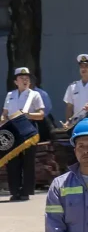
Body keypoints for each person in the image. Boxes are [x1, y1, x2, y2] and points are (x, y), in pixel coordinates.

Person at [3, 67, 45, 201]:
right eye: (21, 78)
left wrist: (28, 115)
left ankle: (26, 191)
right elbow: (5, 114)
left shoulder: (34, 95)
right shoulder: (10, 95)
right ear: (16, 81)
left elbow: (41, 115)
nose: (25, 80)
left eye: (27, 78)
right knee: (12, 161)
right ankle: (14, 191)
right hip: (12, 130)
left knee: (28, 161)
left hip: (28, 128)